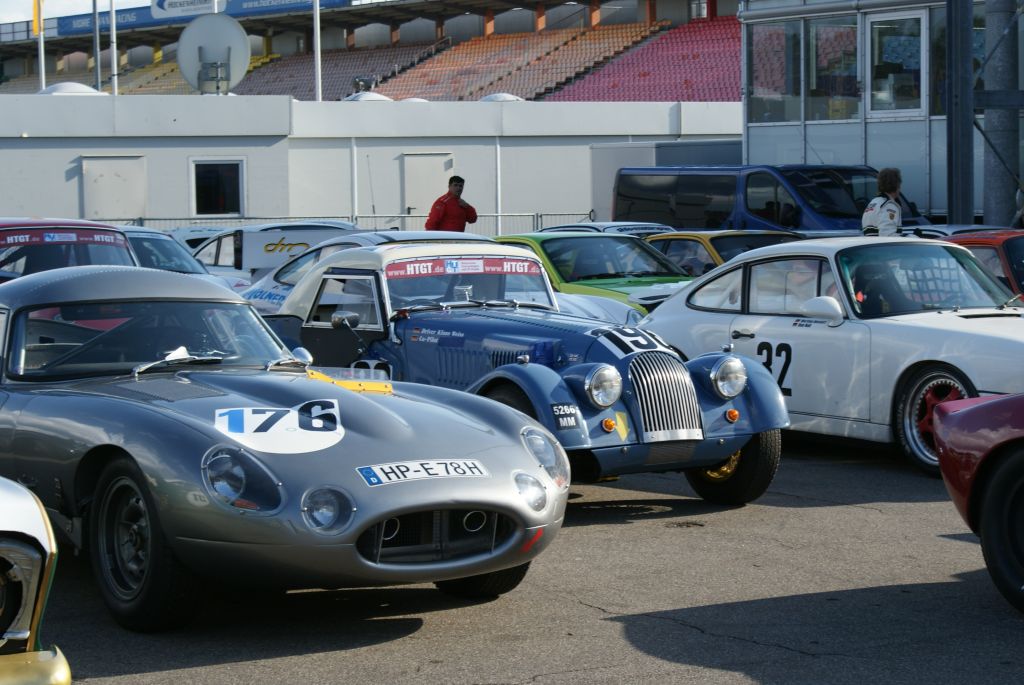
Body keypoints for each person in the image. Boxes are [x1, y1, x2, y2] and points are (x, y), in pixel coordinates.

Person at [861, 167, 903, 236]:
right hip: (882, 243)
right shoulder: (888, 205)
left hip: (872, 242)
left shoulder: (873, 203)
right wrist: (912, 237)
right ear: (896, 185)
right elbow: (888, 235)